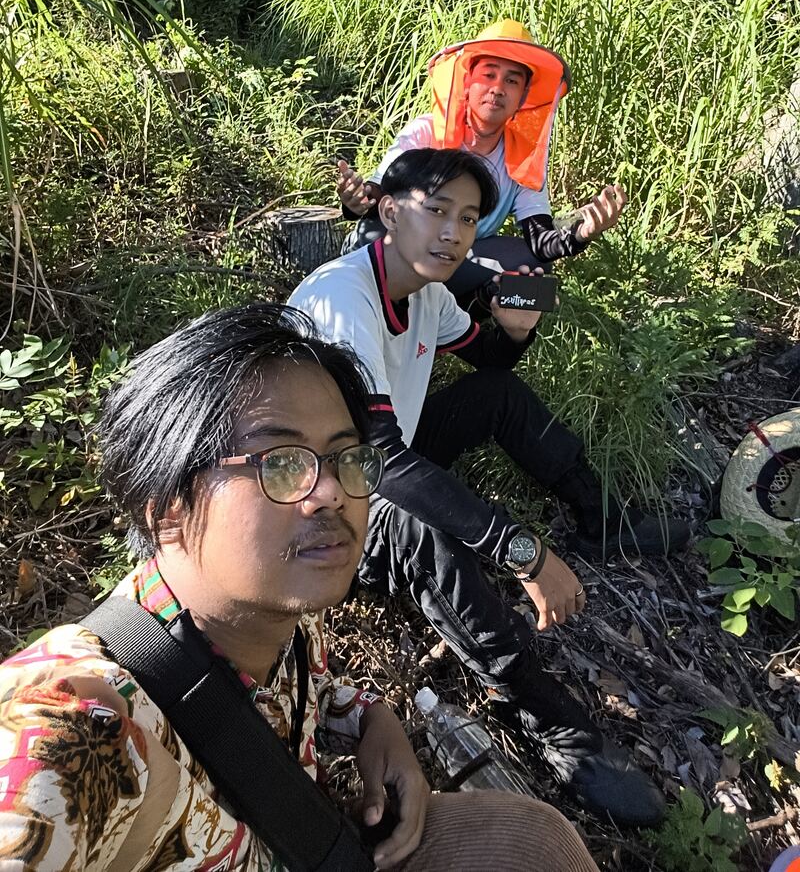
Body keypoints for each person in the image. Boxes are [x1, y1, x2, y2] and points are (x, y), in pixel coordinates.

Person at [0, 304, 600, 872]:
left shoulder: (276, 618)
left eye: (347, 459)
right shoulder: (71, 732)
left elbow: (309, 693)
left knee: (535, 841)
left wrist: (371, 720)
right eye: (283, 462)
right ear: (167, 509)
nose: (333, 492)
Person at [290, 148, 691, 826]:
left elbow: (490, 359)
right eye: (437, 210)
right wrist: (522, 549)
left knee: (496, 395)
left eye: (469, 217)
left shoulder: (424, 292)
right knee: (419, 529)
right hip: (309, 504)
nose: (453, 231)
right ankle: (556, 724)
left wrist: (515, 331)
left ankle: (603, 518)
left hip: (370, 457)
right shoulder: (342, 298)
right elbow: (381, 461)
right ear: (388, 211)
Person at [336, 18, 627, 308]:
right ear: (467, 82)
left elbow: (540, 241)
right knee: (375, 237)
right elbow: (379, 198)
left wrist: (582, 232)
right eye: (489, 75)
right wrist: (356, 200)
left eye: (512, 81)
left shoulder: (522, 155)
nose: (498, 88)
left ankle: (467, 323)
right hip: (405, 252)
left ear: (523, 96)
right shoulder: (426, 131)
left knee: (533, 270)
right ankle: (387, 313)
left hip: (458, 256)